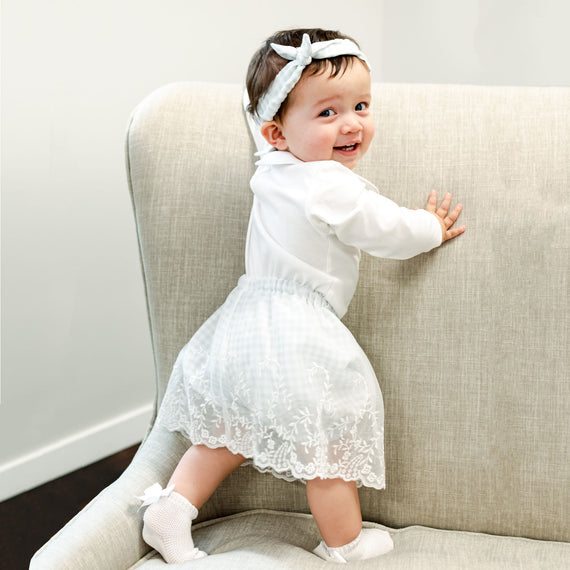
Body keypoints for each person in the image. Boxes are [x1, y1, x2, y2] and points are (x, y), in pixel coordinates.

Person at [137, 28, 465, 564]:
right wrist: (429, 225)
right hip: (299, 331)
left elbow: (262, 118)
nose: (352, 123)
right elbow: (385, 230)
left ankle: (171, 510)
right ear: (277, 131)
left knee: (227, 431)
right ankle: (344, 543)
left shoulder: (273, 167)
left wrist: (287, 113)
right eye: (328, 113)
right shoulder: (328, 184)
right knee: (328, 438)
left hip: (245, 325)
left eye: (361, 105)